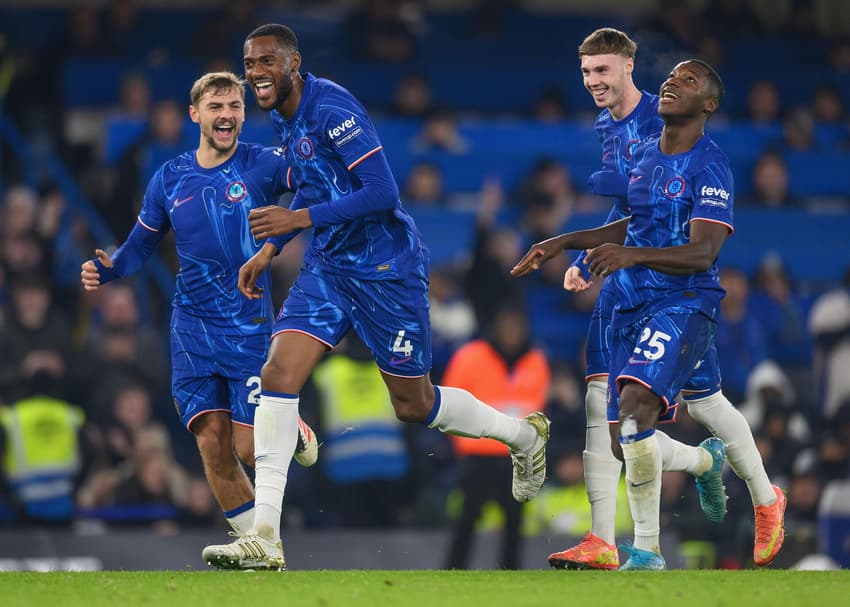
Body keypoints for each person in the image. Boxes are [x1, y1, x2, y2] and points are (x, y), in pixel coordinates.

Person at [201, 24, 550, 571]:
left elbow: (383, 192)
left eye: (267, 62)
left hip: (387, 268)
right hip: (329, 268)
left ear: (294, 63)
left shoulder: (333, 107)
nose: (257, 73)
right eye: (249, 64)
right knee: (277, 373)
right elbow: (317, 188)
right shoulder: (284, 118)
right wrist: (271, 249)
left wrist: (295, 218)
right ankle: (265, 535)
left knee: (414, 405)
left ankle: (523, 436)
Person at [513, 56, 786, 569]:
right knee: (691, 411)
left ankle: (648, 550)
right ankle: (742, 482)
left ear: (707, 104)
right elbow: (629, 228)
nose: (671, 83)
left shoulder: (711, 165)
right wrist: (562, 242)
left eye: (688, 80)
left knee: (636, 412)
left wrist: (631, 257)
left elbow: (705, 253)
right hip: (635, 304)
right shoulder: (645, 159)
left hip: (685, 302)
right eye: (670, 76)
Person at [79, 71, 318, 539]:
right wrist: (111, 269)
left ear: (244, 114)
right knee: (212, 445)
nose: (226, 115)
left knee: (248, 448)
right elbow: (139, 246)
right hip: (191, 330)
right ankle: (258, 550)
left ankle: (288, 424)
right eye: (216, 107)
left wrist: (275, 244)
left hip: (247, 325)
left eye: (234, 107)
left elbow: (316, 183)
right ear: (196, 115)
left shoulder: (264, 164)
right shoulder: (170, 177)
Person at [443, 305, 551, 570]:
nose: (513, 334)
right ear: (497, 328)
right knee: (468, 517)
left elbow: (538, 407)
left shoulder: (536, 360)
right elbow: (451, 400)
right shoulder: (470, 357)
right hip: (477, 452)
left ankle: (511, 571)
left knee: (514, 520)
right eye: (508, 327)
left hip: (516, 454)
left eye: (518, 328)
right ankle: (454, 569)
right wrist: (460, 444)